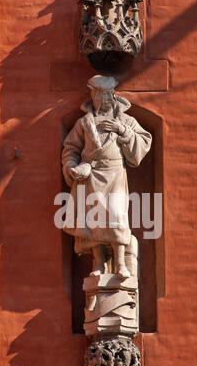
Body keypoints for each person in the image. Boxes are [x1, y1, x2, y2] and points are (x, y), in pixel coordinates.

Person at [62, 75, 152, 279]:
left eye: (108, 95)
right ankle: (99, 262)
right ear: (93, 96)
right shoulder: (84, 122)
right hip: (91, 174)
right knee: (94, 221)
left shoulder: (125, 120)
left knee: (117, 215)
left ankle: (120, 262)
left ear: (113, 95)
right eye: (99, 96)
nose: (104, 100)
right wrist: (72, 166)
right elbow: (71, 148)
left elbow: (144, 140)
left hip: (115, 174)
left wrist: (123, 131)